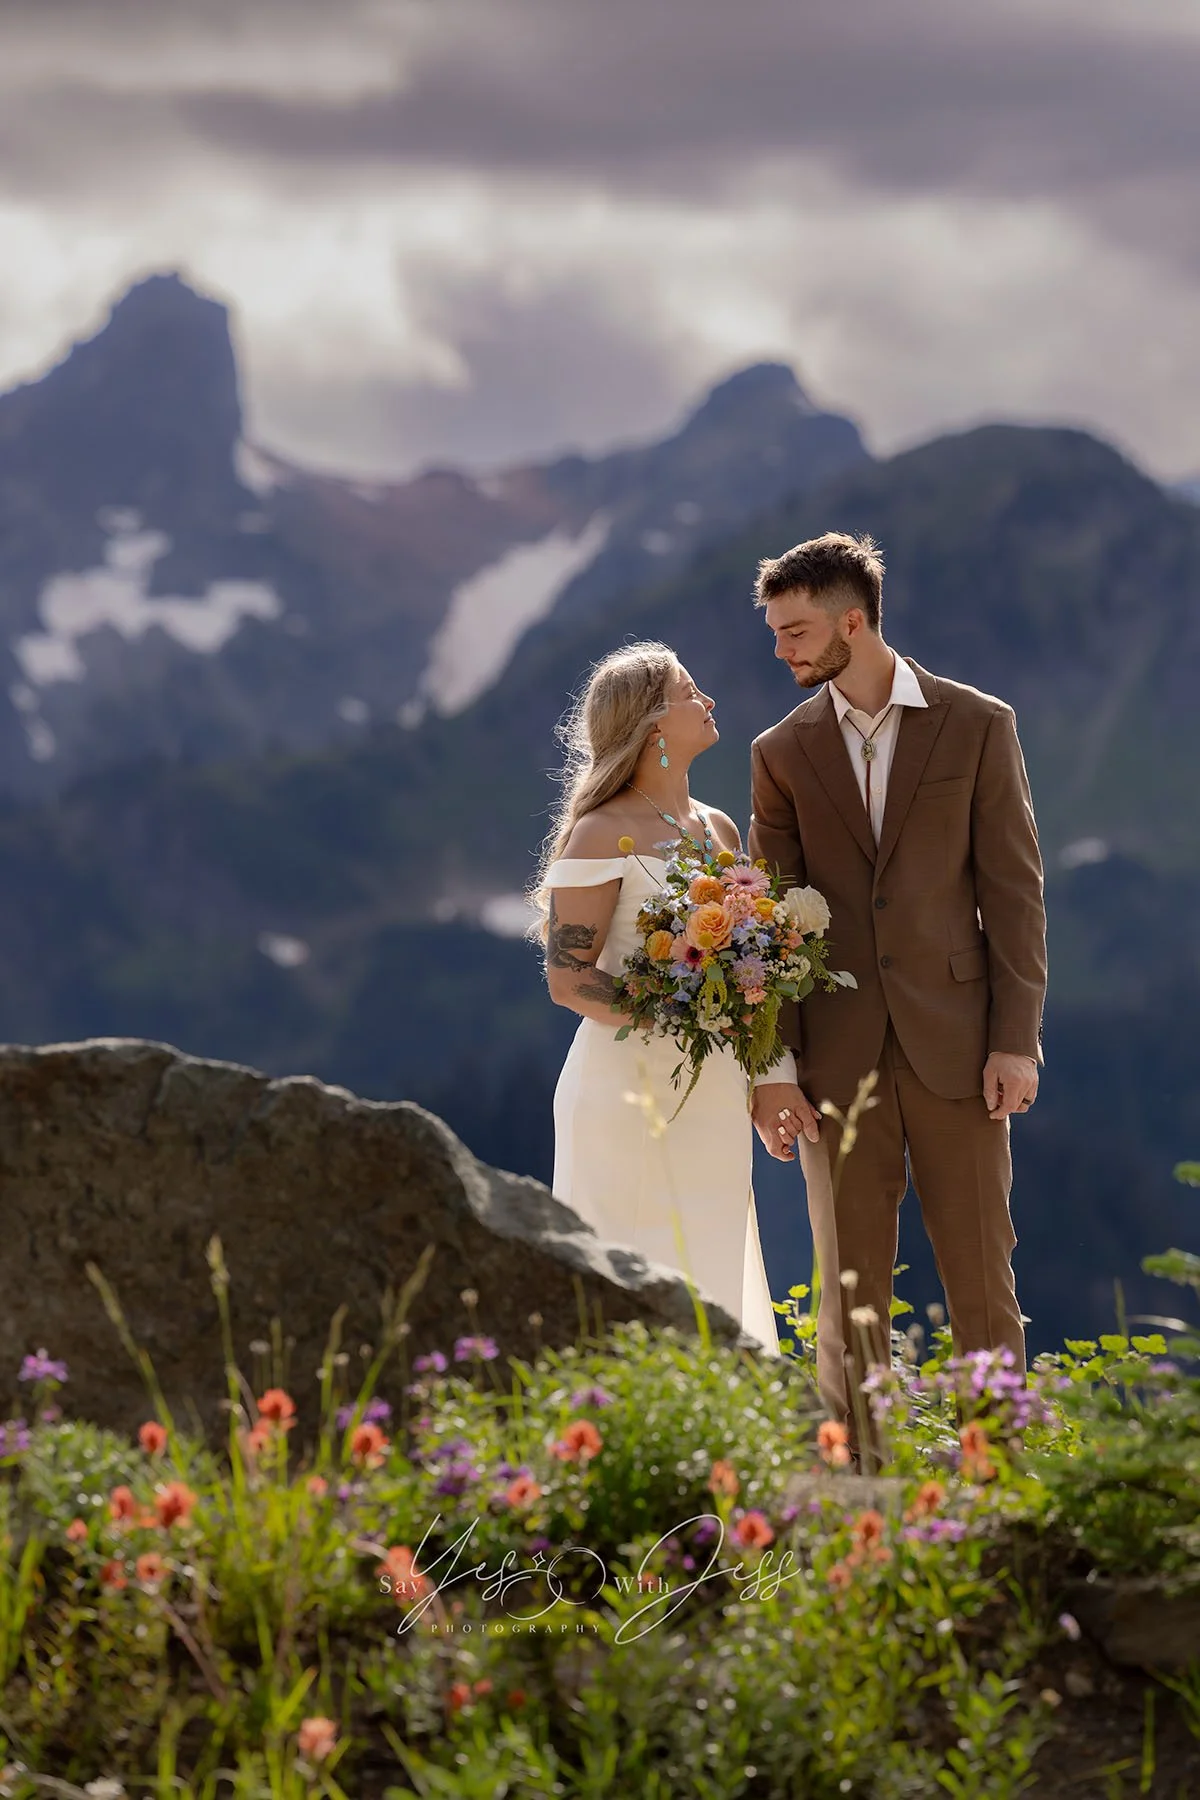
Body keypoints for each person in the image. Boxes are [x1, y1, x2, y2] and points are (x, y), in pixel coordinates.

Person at [746, 532, 1047, 1437]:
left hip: (960, 1044)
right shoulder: (781, 751)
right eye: (775, 633)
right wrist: (773, 1067)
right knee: (849, 1282)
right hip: (835, 1057)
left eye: (795, 631)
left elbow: (1014, 891)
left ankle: (995, 1476)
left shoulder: (977, 723)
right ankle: (864, 1490)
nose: (782, 650)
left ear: (853, 620)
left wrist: (1015, 1038)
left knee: (981, 1272)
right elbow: (768, 925)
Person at [529, 641, 781, 1355]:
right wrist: (678, 1005)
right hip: (624, 1091)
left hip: (715, 1090)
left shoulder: (719, 828)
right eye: (689, 691)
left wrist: (761, 1068)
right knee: (628, 1265)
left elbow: (748, 970)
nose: (708, 702)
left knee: (711, 1251)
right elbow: (569, 977)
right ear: (649, 724)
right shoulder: (600, 832)